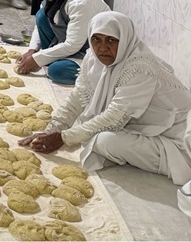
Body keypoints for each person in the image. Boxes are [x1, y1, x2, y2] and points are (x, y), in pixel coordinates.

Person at [19, 11, 191, 188]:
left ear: (124, 39)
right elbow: (77, 98)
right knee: (86, 127)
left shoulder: (139, 68)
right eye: (96, 39)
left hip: (177, 139)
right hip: (143, 126)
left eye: (111, 40)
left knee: (104, 141)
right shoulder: (93, 58)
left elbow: (113, 118)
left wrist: (63, 138)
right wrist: (51, 130)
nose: (102, 48)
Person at [16, 0, 110, 85]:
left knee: (56, 71)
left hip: (92, 50)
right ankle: (54, 58)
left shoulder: (81, 3)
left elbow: (73, 45)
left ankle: (95, 73)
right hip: (74, 42)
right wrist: (32, 51)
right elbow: (38, 27)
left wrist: (38, 59)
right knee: (42, 15)